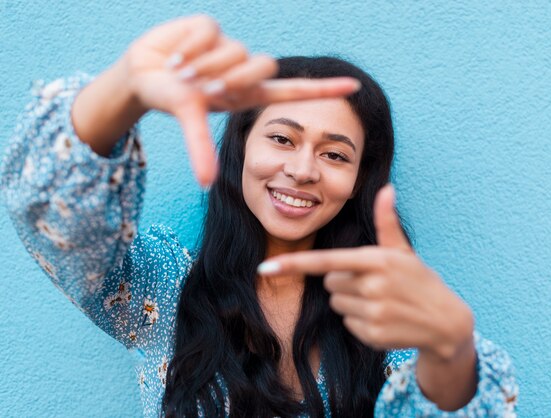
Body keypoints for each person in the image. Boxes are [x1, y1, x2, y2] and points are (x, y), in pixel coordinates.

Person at [1, 15, 517, 417]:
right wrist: (122, 90)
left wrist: (451, 354)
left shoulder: (385, 312)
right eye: (281, 138)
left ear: (361, 178)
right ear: (241, 149)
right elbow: (58, 222)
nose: (302, 169)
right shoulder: (161, 287)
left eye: (334, 154)